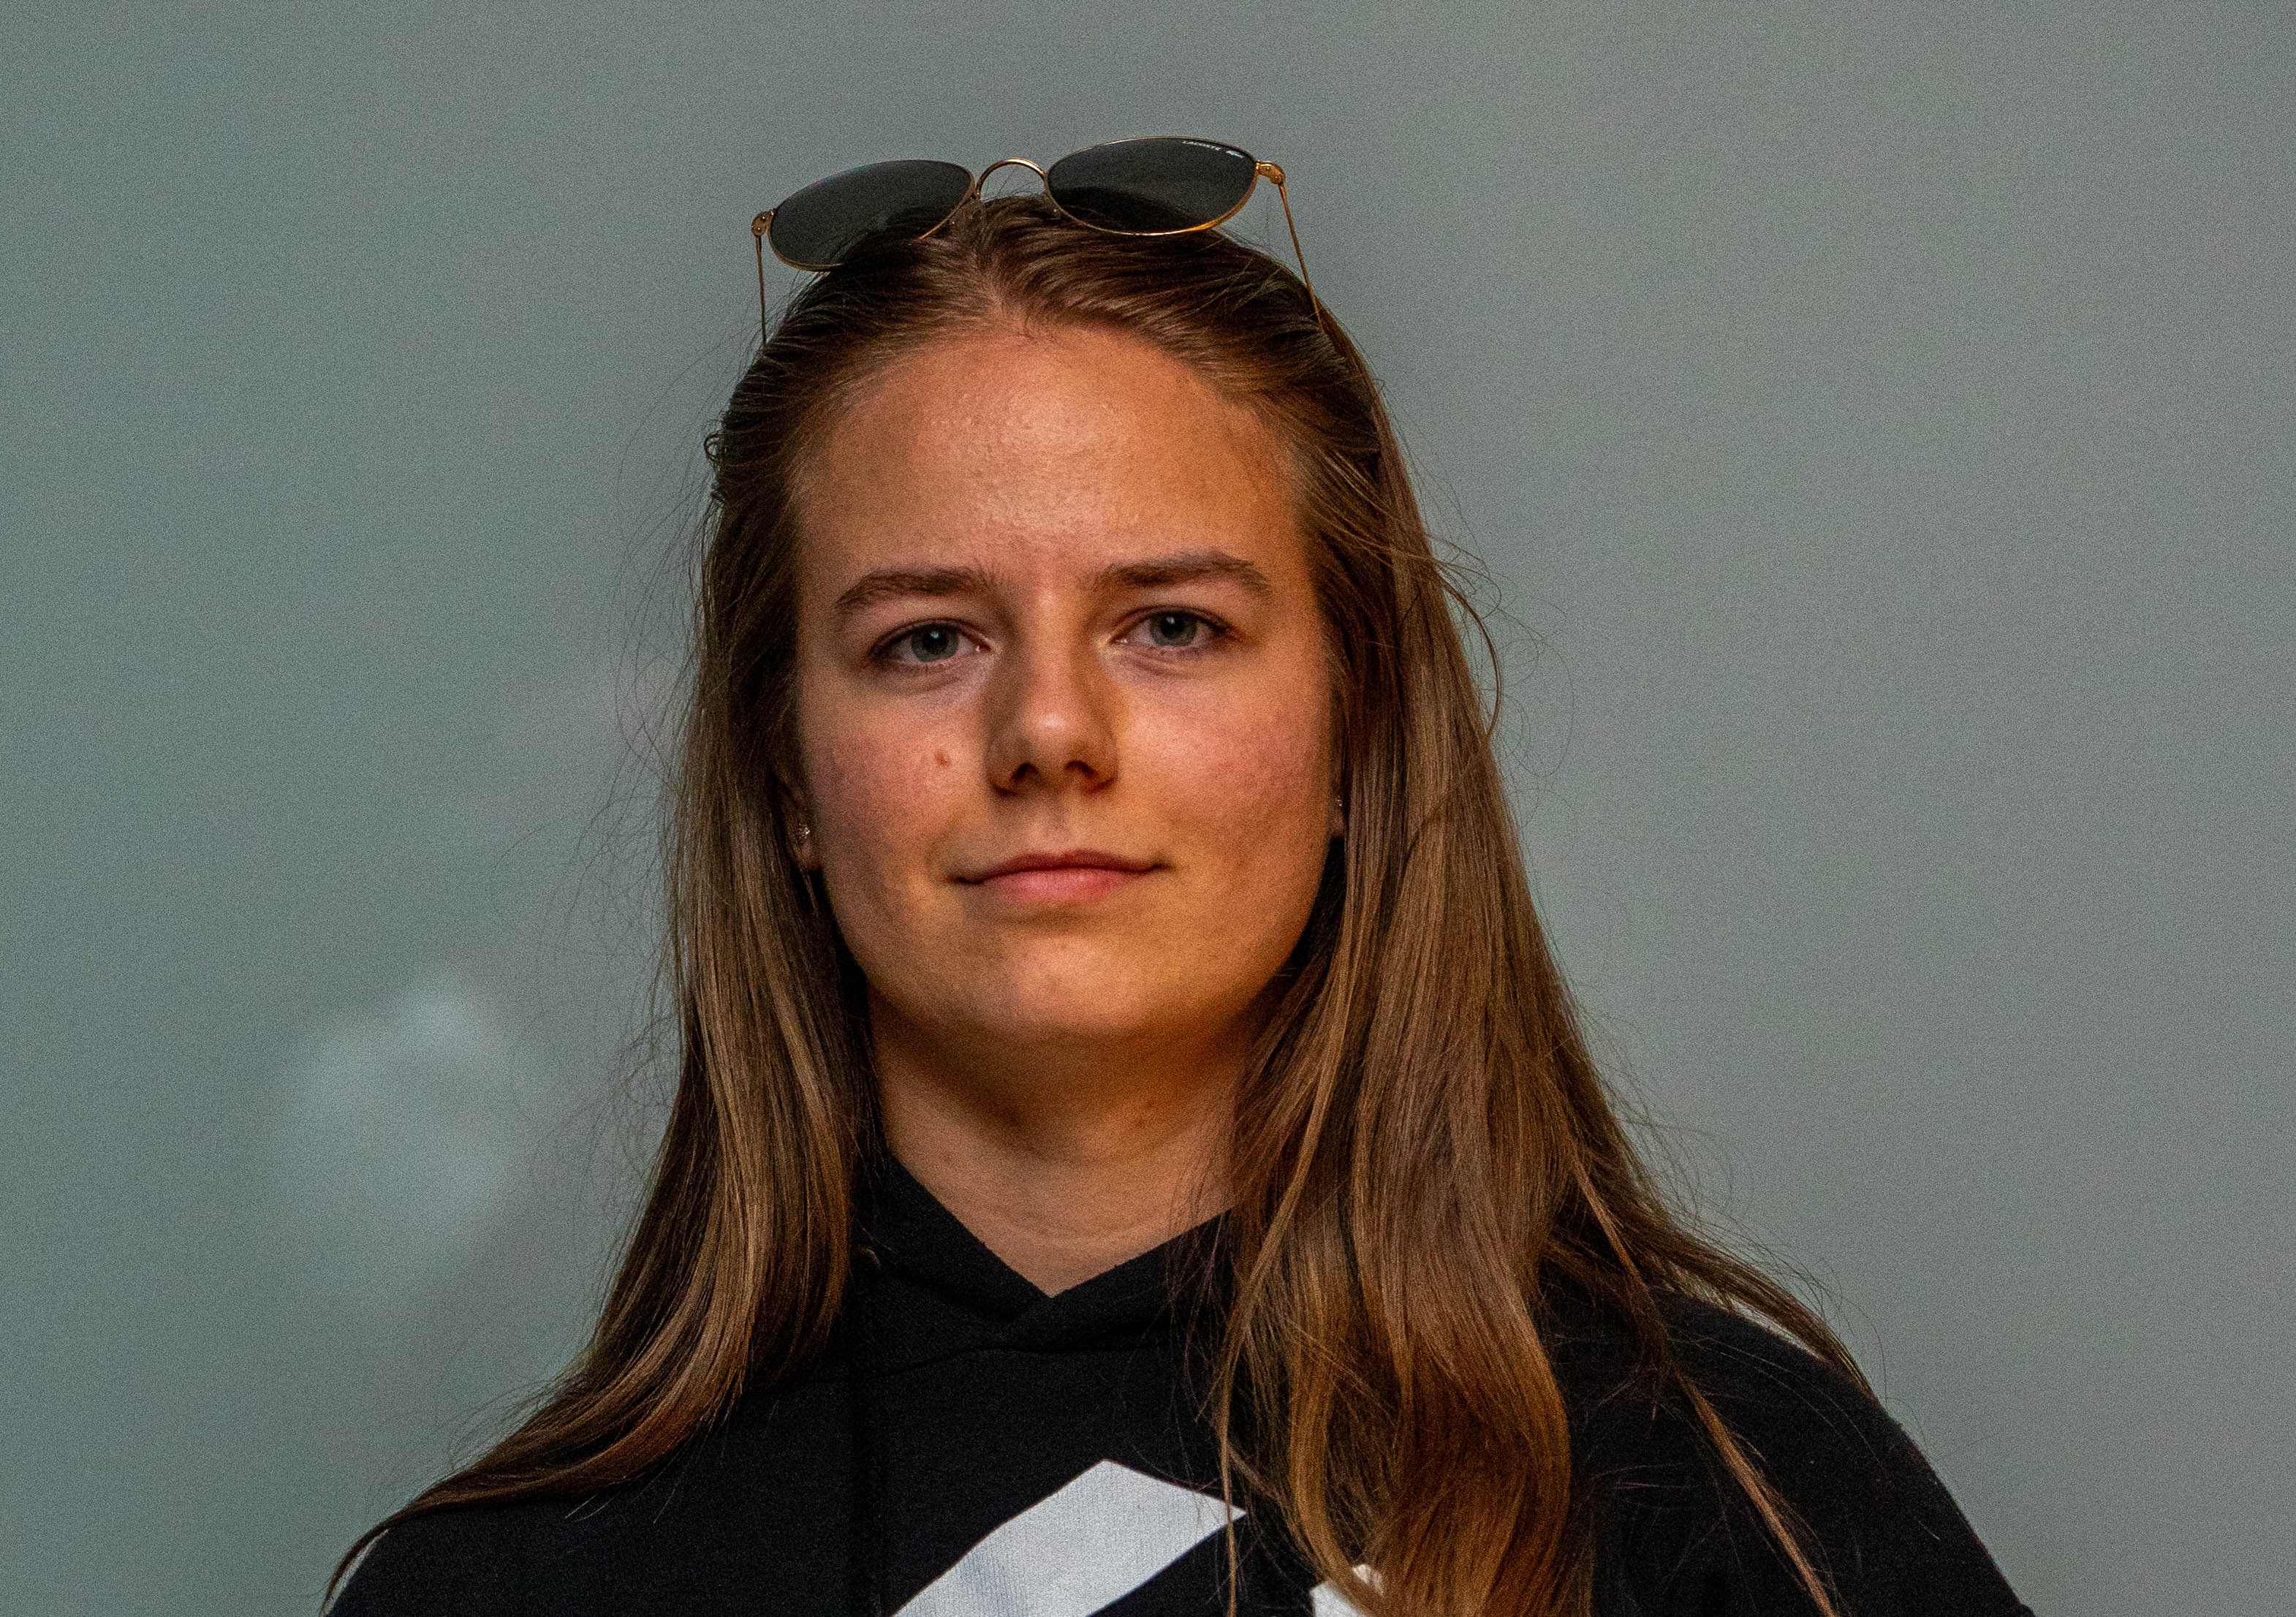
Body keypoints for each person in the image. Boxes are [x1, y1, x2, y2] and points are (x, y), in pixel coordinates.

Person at [330, 143, 2032, 1617]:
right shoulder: (504, 1581)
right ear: (785, 771)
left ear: (1356, 727)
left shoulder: (1725, 1491)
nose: (1047, 730)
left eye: (1170, 625)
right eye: (924, 639)